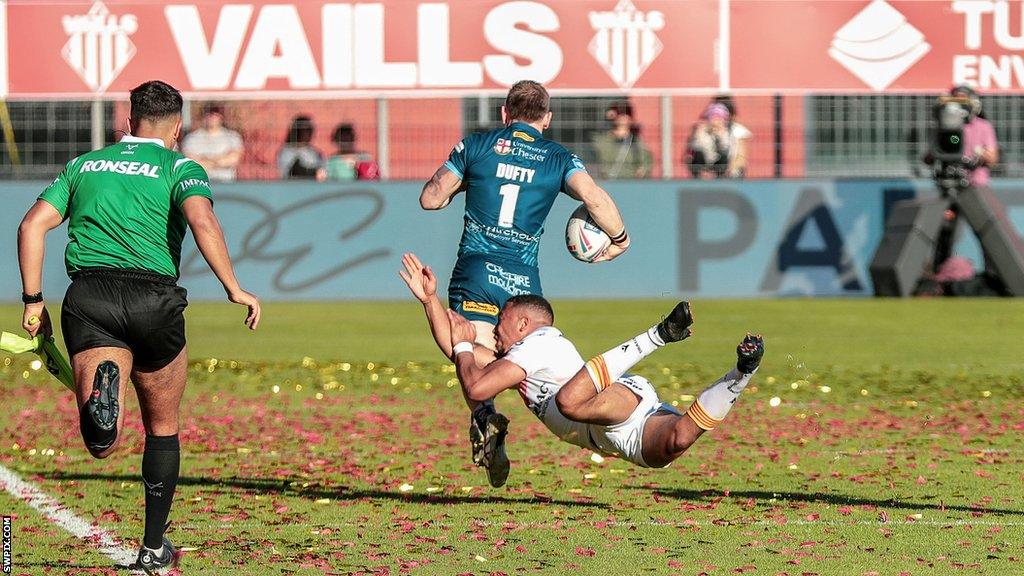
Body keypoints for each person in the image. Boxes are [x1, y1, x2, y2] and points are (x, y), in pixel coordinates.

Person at [16, 80, 261, 573]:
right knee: (163, 428)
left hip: (90, 297)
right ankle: (152, 548)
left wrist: (33, 300)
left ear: (128, 123)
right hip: (155, 300)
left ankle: (105, 391)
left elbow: (31, 226)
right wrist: (234, 287)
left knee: (101, 443)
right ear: (175, 128)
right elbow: (204, 224)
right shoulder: (181, 167)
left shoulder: (85, 165)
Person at [419, 80, 630, 488]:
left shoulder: (476, 146)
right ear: (546, 119)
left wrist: (461, 184)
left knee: (461, 343)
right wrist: (620, 239)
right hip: (523, 285)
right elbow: (596, 200)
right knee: (517, 358)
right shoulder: (558, 157)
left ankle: (484, 416)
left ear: (504, 113)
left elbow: (430, 198)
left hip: (477, 271)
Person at [399, 253, 764, 472]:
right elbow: (459, 354)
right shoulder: (517, 358)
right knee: (675, 445)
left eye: (502, 321)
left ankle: (659, 335)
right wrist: (430, 300)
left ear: (524, 324)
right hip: (606, 433)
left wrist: (464, 346)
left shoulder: (538, 343)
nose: (495, 329)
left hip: (608, 399)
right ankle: (743, 372)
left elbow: (474, 383)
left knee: (568, 402)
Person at [180, 104, 244, 182]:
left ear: (221, 116)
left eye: (215, 114)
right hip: (200, 183)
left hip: (226, 183)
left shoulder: (232, 136)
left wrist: (205, 159)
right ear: (203, 116)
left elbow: (234, 159)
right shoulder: (192, 138)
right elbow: (191, 161)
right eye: (209, 114)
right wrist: (220, 160)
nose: (212, 117)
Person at [590, 101, 652, 179]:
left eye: (626, 113)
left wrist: (643, 171)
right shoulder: (600, 140)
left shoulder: (637, 142)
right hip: (606, 181)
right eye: (619, 113)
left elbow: (646, 163)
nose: (622, 116)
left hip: (630, 183)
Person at [951, 85, 998, 188]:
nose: (961, 106)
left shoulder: (984, 126)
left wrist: (979, 153)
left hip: (976, 184)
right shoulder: (945, 127)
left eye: (964, 102)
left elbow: (993, 159)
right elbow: (929, 158)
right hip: (950, 182)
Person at [685, 103, 734, 179]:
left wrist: (720, 136)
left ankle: (718, 176)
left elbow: (728, 150)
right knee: (698, 153)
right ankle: (701, 173)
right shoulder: (701, 130)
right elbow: (697, 148)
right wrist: (701, 134)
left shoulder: (727, 133)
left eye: (719, 118)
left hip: (717, 165)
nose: (715, 121)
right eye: (712, 117)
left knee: (724, 156)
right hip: (704, 162)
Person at [712, 95, 752, 179]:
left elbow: (741, 158)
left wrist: (729, 170)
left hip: (732, 172)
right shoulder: (706, 130)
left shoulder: (737, 130)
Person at [277, 115, 325, 180]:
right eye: (307, 130)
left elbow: (322, 173)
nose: (310, 133)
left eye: (311, 129)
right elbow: (290, 173)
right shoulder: (287, 151)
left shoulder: (315, 153)